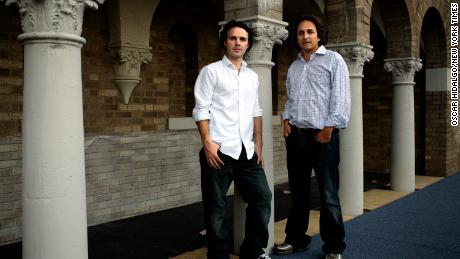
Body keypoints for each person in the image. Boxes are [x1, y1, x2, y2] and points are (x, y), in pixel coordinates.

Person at [192, 20, 272, 259]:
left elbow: (256, 110)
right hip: (219, 151)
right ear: (225, 41)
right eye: (233, 38)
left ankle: (252, 251)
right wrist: (207, 143)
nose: (238, 43)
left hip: (247, 152)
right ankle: (218, 255)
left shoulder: (252, 77)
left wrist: (258, 143)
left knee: (263, 198)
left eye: (243, 39)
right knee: (216, 209)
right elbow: (201, 109)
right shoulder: (211, 71)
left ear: (248, 44)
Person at [273, 15, 350, 259]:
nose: (305, 36)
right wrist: (285, 119)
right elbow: (291, 98)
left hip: (323, 137)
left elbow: (340, 97)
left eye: (310, 32)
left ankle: (334, 247)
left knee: (328, 194)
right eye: (300, 33)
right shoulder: (295, 66)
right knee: (298, 193)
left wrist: (329, 128)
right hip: (296, 137)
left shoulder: (333, 60)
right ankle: (297, 239)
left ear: (319, 35)